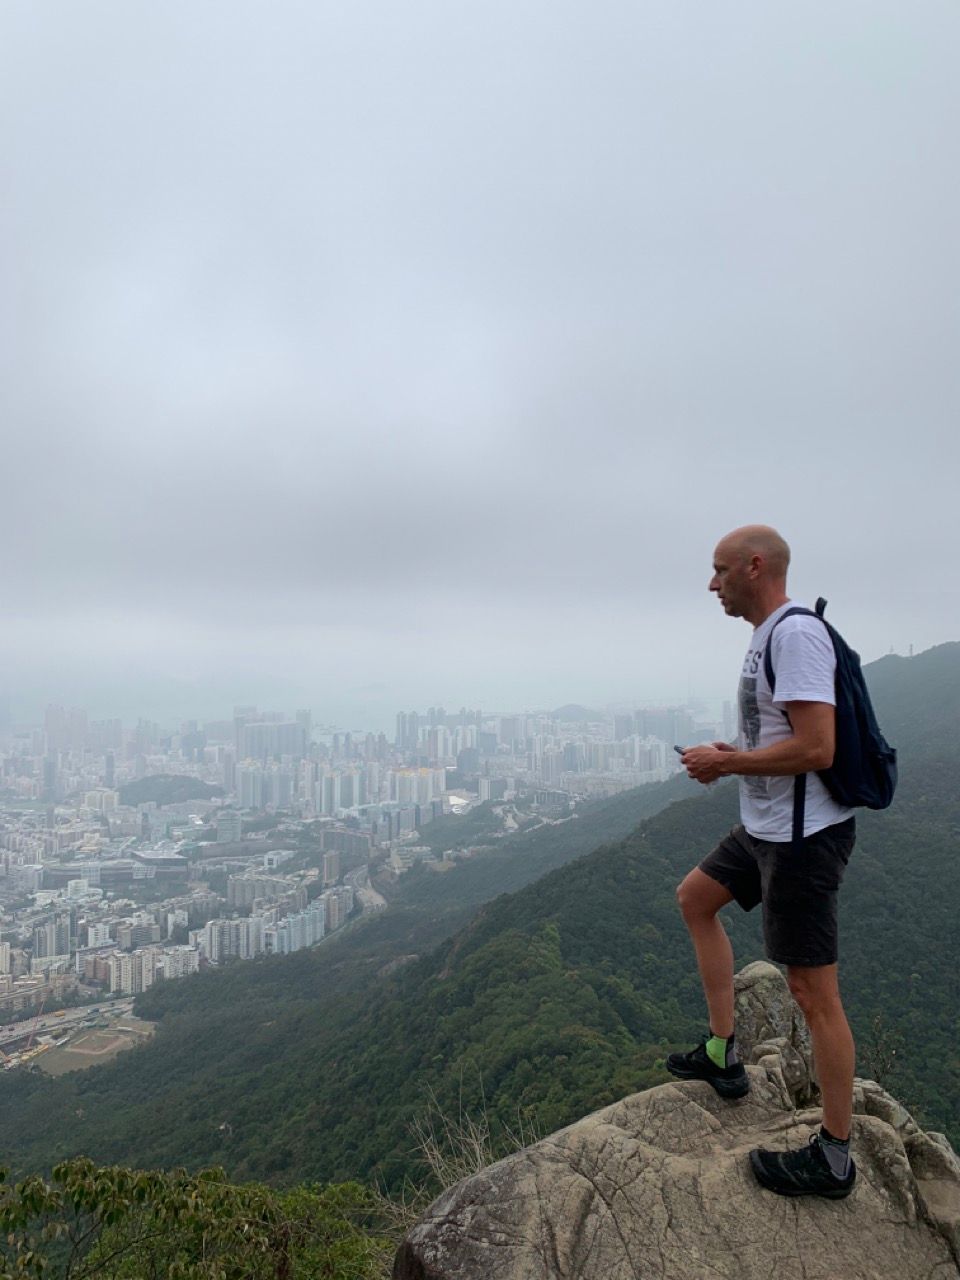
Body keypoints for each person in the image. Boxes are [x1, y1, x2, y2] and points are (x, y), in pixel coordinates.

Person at [668, 524, 858, 1199]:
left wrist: (726, 763)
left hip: (802, 842)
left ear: (756, 566)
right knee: (695, 899)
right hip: (765, 824)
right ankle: (724, 1054)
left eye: (720, 570)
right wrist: (738, 750)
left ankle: (835, 1156)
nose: (712, 583)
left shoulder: (796, 635)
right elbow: (781, 734)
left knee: (813, 994)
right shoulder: (764, 635)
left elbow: (817, 748)